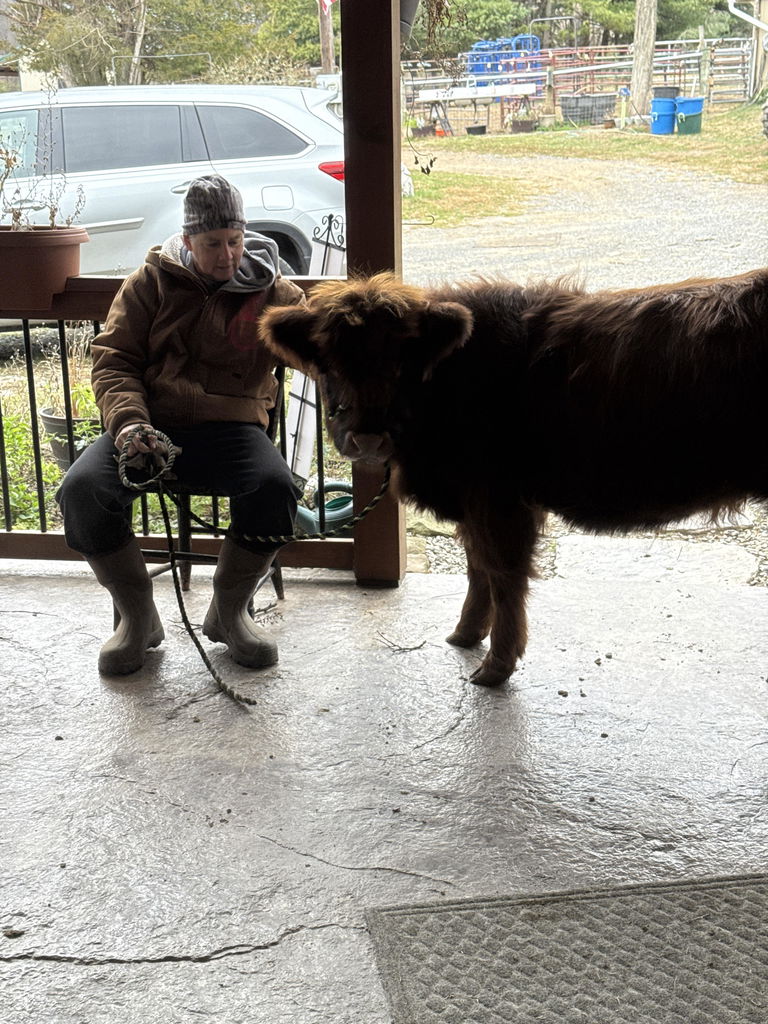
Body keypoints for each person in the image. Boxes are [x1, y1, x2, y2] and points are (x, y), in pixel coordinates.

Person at [57, 175, 306, 676]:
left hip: (233, 428)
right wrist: (130, 427)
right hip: (149, 427)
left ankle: (230, 612)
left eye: (234, 241)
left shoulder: (275, 293)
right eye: (212, 244)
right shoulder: (149, 284)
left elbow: (319, 350)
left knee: (275, 489)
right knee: (82, 491)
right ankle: (138, 616)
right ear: (188, 240)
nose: (227, 255)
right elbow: (114, 362)